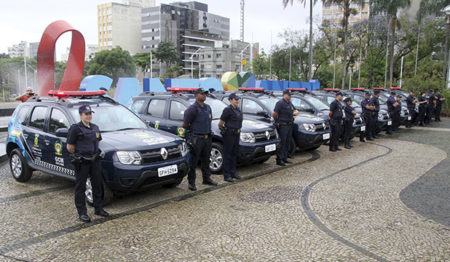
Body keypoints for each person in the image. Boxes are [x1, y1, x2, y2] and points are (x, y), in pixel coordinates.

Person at [67, 105, 109, 223]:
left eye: (90, 113)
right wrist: (80, 155)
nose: (89, 116)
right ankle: (82, 213)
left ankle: (98, 208)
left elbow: (98, 142)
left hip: (94, 160)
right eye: (86, 114)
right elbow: (70, 147)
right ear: (81, 115)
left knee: (97, 185)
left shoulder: (95, 127)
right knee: (80, 187)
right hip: (82, 161)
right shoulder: (75, 129)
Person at [182, 88, 217, 191]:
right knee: (193, 161)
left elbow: (209, 120)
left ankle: (206, 178)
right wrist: (192, 134)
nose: (204, 95)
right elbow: (185, 125)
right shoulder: (192, 109)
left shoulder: (208, 108)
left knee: (206, 160)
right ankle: (191, 182)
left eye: (205, 94)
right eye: (202, 94)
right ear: (196, 95)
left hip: (207, 138)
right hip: (196, 139)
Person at [218, 93, 243, 183]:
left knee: (234, 154)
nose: (237, 101)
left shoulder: (238, 109)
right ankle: (226, 175)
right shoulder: (227, 110)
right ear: (231, 100)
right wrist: (225, 132)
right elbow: (220, 123)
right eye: (236, 99)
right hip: (230, 134)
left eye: (238, 99)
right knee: (227, 154)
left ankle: (233, 172)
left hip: (237, 133)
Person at [273, 90, 299, 166]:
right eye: (289, 95)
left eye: (290, 95)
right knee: (282, 143)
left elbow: (296, 111)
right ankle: (279, 159)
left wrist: (294, 113)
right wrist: (277, 121)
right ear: (284, 95)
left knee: (287, 142)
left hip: (289, 124)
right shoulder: (280, 103)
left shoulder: (289, 103)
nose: (290, 96)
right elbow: (274, 113)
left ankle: (285, 157)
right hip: (283, 125)